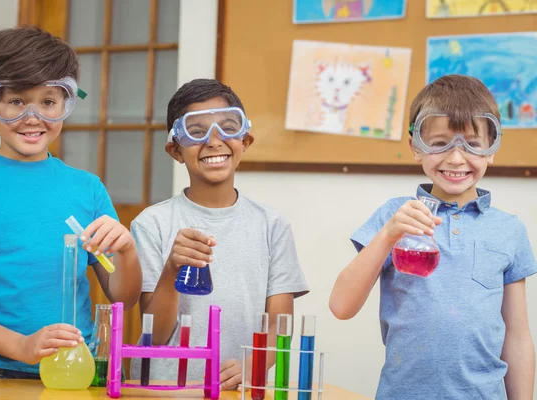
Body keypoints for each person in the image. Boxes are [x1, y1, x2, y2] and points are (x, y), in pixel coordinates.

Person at [0, 26, 142, 400]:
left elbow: (122, 298)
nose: (33, 117)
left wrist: (127, 251)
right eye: (15, 101)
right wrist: (21, 346)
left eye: (49, 102)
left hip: (79, 370)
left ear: (67, 102)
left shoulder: (88, 188)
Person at [329, 74, 537, 399]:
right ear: (415, 147)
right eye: (439, 144)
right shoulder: (394, 217)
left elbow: (518, 337)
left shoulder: (508, 230)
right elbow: (341, 306)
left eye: (472, 143)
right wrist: (388, 235)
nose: (456, 158)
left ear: (492, 149)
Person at [129, 78, 309, 389]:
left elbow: (280, 324)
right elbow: (154, 335)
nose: (214, 141)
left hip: (234, 388)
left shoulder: (272, 225)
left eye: (228, 127)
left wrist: (254, 366)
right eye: (197, 132)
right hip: (164, 389)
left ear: (246, 141)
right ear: (175, 149)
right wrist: (172, 268)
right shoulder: (151, 224)